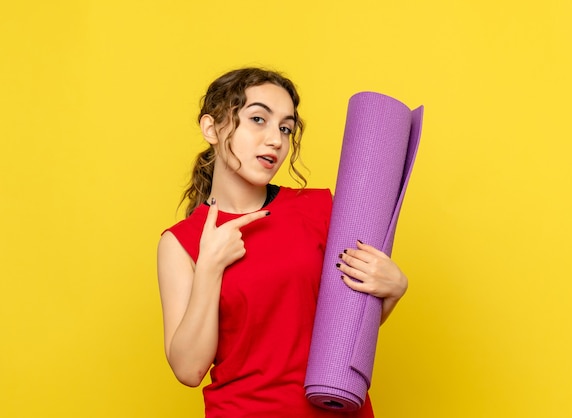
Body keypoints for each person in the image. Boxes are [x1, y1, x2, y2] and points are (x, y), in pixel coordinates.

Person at [157, 67, 408, 417]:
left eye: (285, 127)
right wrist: (210, 267)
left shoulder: (320, 208)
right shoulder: (180, 243)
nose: (275, 139)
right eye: (258, 119)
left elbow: (344, 326)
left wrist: (392, 291)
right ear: (211, 128)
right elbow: (188, 370)